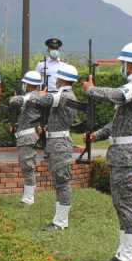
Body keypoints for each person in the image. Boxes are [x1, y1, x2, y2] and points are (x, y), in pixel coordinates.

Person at [83, 42, 132, 261]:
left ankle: (128, 257)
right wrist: (97, 136)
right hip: (120, 152)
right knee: (120, 202)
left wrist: (91, 90)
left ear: (130, 64)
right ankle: (123, 252)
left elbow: (116, 96)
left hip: (127, 153)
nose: (122, 66)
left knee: (127, 203)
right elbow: (117, 123)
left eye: (123, 63)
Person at [35, 63, 81, 231]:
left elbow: (44, 99)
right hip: (57, 141)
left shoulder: (65, 95)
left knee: (62, 181)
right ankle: (59, 218)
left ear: (61, 78)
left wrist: (37, 93)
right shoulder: (65, 94)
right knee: (59, 180)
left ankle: (61, 221)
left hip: (60, 143)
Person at [8, 71, 47, 204]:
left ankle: (29, 198)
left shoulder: (33, 97)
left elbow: (15, 100)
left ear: (29, 85)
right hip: (24, 135)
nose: (23, 85)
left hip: (27, 137)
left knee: (28, 167)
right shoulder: (32, 97)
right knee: (26, 167)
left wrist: (13, 98)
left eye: (25, 83)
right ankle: (27, 196)